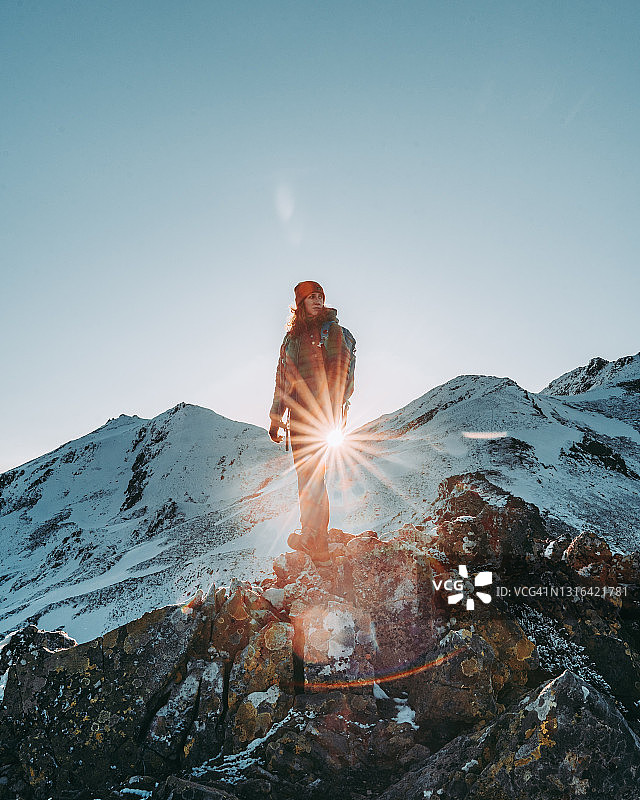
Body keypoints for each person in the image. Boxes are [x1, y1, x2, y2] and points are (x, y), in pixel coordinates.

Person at [269, 280, 355, 568]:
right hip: (297, 418)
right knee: (305, 476)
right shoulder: (290, 340)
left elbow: (339, 372)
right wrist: (275, 417)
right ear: (300, 304)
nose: (318, 301)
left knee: (315, 476)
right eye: (311, 297)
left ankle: (316, 540)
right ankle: (311, 536)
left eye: (320, 296)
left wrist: (333, 413)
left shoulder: (332, 331)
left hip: (321, 416)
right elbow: (282, 380)